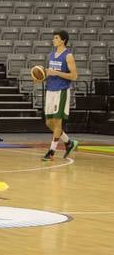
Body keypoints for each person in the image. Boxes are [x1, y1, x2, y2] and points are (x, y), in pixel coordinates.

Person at [40, 30, 79, 161]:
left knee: (57, 123)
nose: (53, 40)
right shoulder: (51, 55)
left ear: (63, 40)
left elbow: (74, 76)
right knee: (49, 123)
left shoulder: (68, 56)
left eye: (56, 38)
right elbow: (50, 73)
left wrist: (56, 73)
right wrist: (41, 76)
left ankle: (51, 151)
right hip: (50, 90)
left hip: (61, 91)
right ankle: (69, 143)